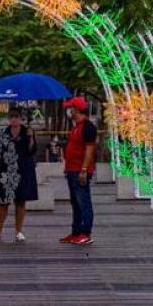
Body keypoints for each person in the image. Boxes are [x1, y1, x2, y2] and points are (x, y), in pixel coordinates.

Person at [0, 110, 38, 242]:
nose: (14, 120)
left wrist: (31, 137)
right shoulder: (4, 132)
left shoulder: (27, 131)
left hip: (23, 171)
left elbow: (32, 151)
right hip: (6, 172)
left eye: (17, 117)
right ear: (9, 119)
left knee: (20, 202)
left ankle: (19, 232)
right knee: (3, 202)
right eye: (12, 117)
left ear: (21, 119)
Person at [61, 96, 96, 245]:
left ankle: (85, 233)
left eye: (71, 108)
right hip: (71, 169)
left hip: (79, 171)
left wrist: (83, 170)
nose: (69, 110)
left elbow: (89, 150)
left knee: (84, 202)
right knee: (75, 202)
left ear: (76, 109)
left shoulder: (88, 127)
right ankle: (76, 232)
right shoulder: (76, 126)